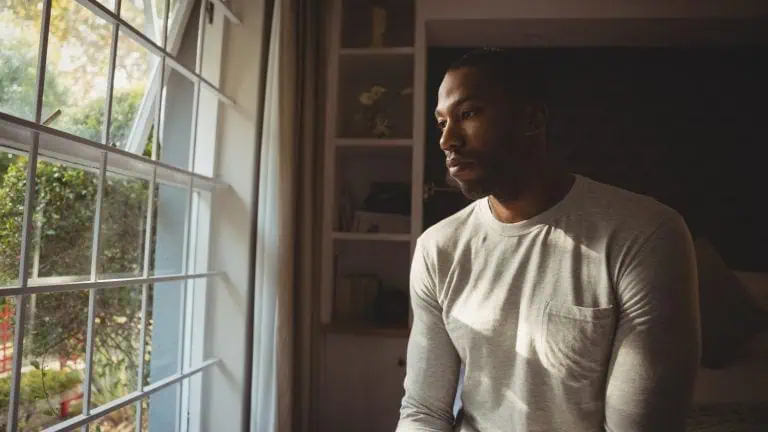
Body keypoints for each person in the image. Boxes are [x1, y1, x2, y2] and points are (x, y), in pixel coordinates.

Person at [396, 48, 701, 432]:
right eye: (441, 123)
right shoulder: (437, 248)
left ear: (531, 119)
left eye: (468, 114)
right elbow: (424, 411)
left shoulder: (644, 234)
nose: (447, 140)